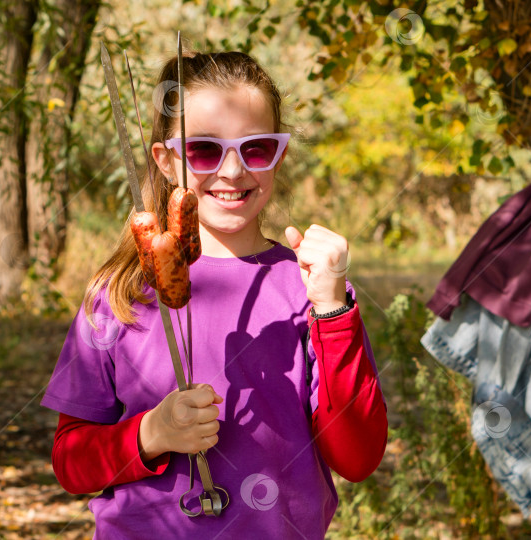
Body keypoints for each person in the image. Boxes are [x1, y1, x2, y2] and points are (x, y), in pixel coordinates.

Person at [40, 49, 387, 539]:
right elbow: (70, 463)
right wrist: (150, 434)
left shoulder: (312, 288)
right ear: (165, 161)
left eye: (256, 148)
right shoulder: (118, 293)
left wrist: (332, 311)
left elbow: (358, 458)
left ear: (279, 154)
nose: (232, 171)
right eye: (203, 150)